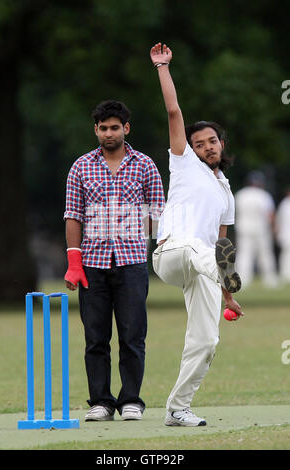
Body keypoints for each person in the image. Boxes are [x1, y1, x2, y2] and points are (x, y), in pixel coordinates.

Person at [150, 43, 243, 427]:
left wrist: (228, 295)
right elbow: (174, 111)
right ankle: (219, 270)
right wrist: (162, 67)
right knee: (194, 246)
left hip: (204, 265)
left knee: (207, 342)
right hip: (171, 254)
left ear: (221, 145)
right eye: (199, 143)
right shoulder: (184, 164)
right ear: (190, 149)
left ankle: (177, 408)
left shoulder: (226, 193)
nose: (206, 147)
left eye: (212, 141)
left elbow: (222, 243)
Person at [63, 100, 165, 422]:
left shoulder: (145, 165)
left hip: (132, 261)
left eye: (114, 127)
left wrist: (142, 232)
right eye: (103, 128)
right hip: (92, 263)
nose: (109, 133)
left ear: (126, 128)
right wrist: (74, 261)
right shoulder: (81, 166)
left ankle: (131, 399)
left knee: (133, 334)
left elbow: (158, 214)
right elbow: (73, 215)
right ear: (96, 130)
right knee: (95, 337)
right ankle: (101, 402)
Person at [235, 171, 278, 288]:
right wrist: (274, 228)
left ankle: (242, 279)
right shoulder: (263, 195)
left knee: (244, 254)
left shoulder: (240, 195)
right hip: (261, 229)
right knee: (265, 253)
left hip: (244, 228)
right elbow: (270, 214)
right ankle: (270, 280)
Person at [276, 188, 290, 283]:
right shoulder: (285, 204)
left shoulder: (284, 204)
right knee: (286, 255)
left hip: (285, 233)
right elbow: (279, 220)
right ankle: (286, 275)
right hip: (286, 234)